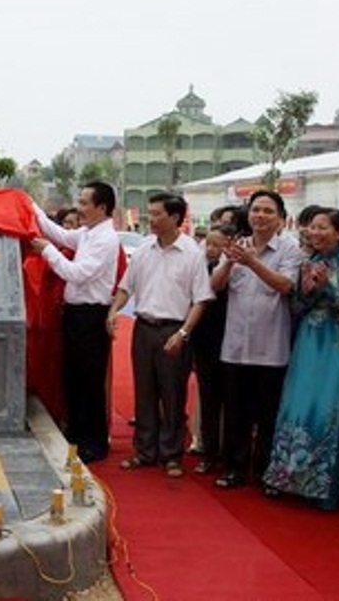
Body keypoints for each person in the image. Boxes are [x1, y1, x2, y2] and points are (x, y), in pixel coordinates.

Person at [263, 208, 339, 510]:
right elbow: (296, 307)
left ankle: (323, 486)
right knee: (296, 405)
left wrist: (328, 290)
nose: (315, 233)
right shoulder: (308, 263)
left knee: (329, 411)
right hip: (308, 341)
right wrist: (307, 292)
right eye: (313, 228)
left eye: (323, 228)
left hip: (338, 346)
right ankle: (285, 476)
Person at [109, 192, 213, 477]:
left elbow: (201, 300)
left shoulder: (192, 253)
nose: (151, 219)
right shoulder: (143, 249)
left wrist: (183, 333)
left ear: (175, 217)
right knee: (144, 392)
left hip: (174, 329)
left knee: (173, 393)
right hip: (143, 327)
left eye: (157, 214)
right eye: (150, 213)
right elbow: (125, 286)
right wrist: (113, 311)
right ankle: (144, 451)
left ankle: (172, 454)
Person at [212, 191, 301, 490]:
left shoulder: (289, 248)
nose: (260, 216)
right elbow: (215, 286)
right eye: (256, 210)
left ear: (281, 217)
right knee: (236, 412)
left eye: (268, 211)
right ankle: (235, 468)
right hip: (236, 344)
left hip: (271, 346)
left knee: (268, 415)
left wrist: (251, 263)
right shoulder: (239, 244)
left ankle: (266, 472)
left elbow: (285, 285)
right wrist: (229, 262)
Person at [31, 181, 120, 463]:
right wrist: (28, 205)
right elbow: (58, 233)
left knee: (90, 381)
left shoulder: (107, 239)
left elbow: (77, 273)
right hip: (75, 315)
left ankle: (94, 442)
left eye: (84, 203)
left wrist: (47, 250)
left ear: (102, 208)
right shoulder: (88, 233)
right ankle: (78, 435)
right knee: (73, 377)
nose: (79, 208)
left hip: (92, 317)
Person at [190, 223, 235, 473]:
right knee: (208, 399)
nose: (210, 249)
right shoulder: (199, 268)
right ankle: (209, 452)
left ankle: (228, 454)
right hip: (204, 340)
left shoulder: (236, 269)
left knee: (230, 401)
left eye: (217, 244)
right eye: (208, 243)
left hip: (230, 341)